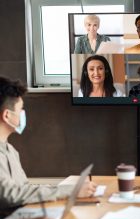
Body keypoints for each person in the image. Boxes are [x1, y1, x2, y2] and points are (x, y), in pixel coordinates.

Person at [0, 76, 97, 209]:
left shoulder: (10, 150)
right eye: (20, 109)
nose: (23, 113)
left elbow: (25, 188)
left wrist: (69, 188)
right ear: (7, 115)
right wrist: (70, 191)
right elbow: (10, 195)